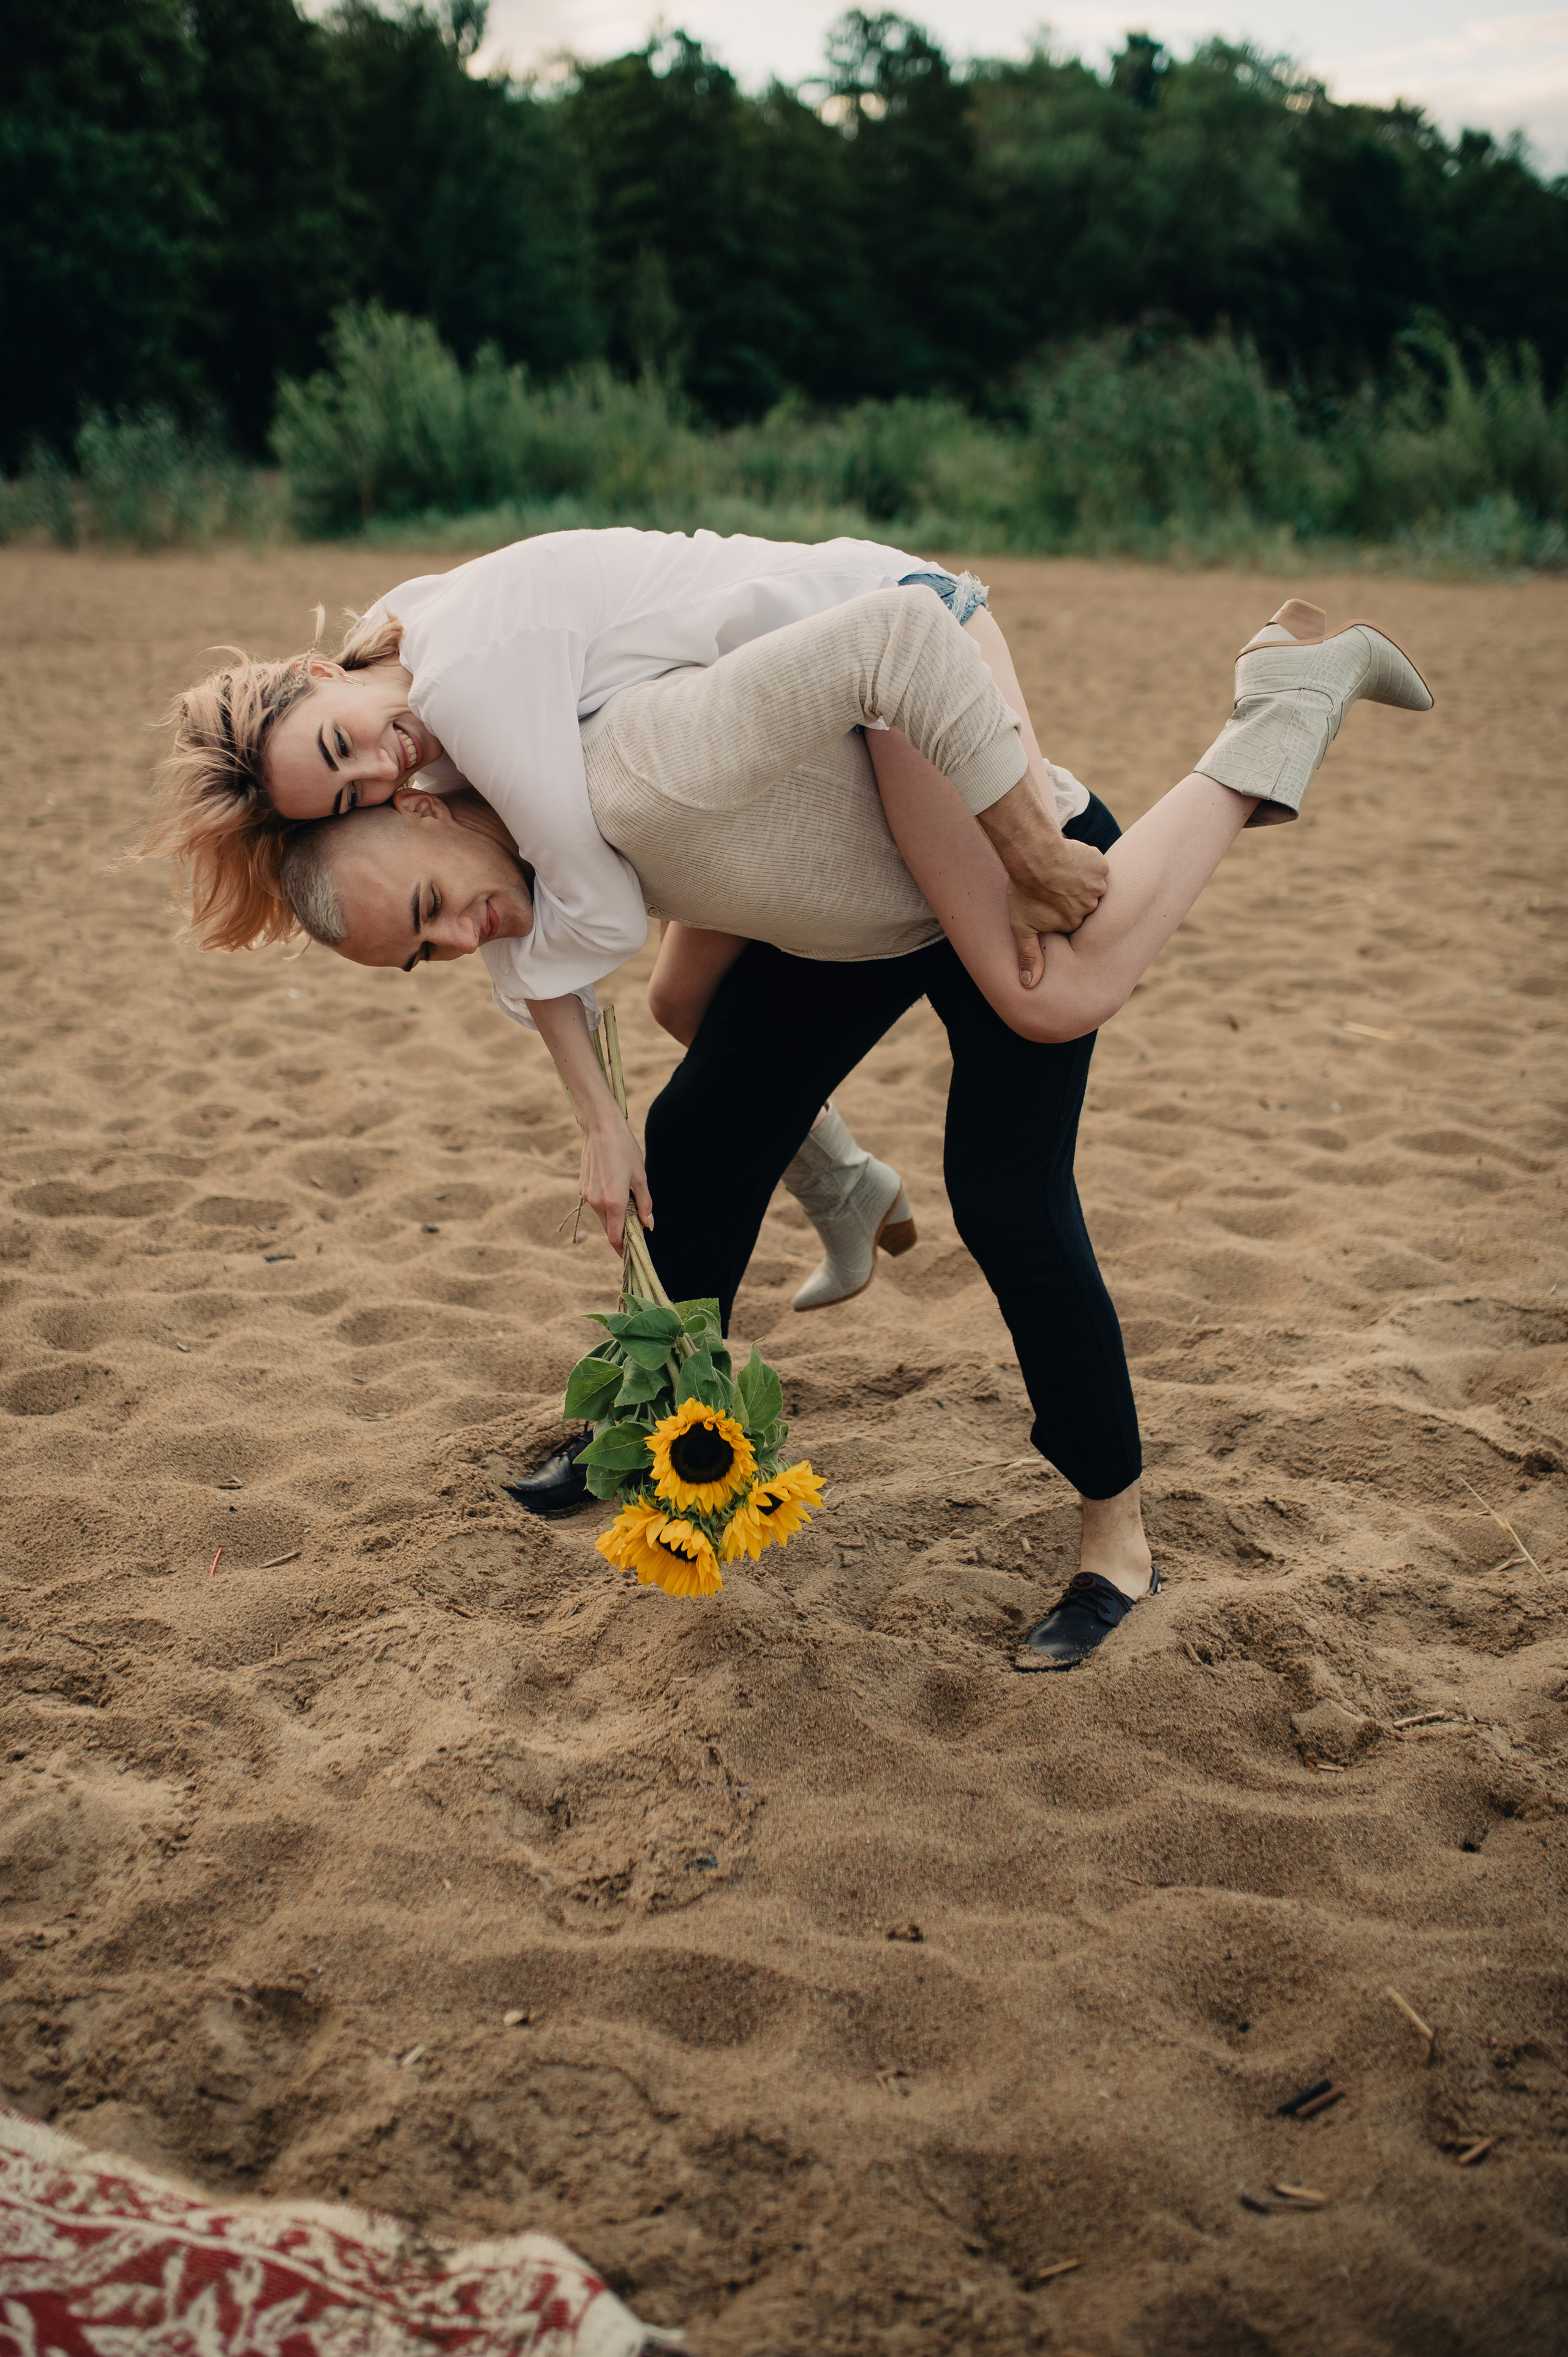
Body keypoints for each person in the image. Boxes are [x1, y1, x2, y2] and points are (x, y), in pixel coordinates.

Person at [272, 589, 1433, 1669]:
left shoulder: (619, 770)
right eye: (425, 950)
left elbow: (887, 633)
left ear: (423, 809)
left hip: (992, 862)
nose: (457, 938)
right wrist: (603, 1121)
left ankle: (1116, 1544)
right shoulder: (490, 798)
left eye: (432, 909)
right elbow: (541, 960)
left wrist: (1019, 838)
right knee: (697, 1131)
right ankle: (668, 1419)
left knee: (1005, 1196)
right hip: (840, 917)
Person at [141, 529, 1107, 1309]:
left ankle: (1236, 774)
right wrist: (594, 1115)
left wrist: (601, 1122)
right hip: (799, 725)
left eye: (338, 746)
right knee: (681, 1000)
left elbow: (590, 913)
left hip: (909, 640)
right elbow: (521, 906)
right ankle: (847, 1186)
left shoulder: (464, 684)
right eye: (349, 801)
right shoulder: (407, 663)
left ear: (319, 671)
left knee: (1034, 956)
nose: (379, 776)